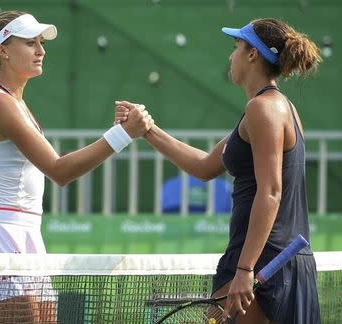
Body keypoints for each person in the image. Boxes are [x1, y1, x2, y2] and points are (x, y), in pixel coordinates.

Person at [116, 18, 321, 323]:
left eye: (236, 46)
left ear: (252, 54)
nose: (231, 55)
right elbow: (205, 166)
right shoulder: (273, 108)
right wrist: (147, 130)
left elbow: (271, 191)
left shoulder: (263, 109)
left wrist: (244, 269)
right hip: (282, 260)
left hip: (264, 264)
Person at [0, 10, 153, 323]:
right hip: (1, 238)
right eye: (30, 42)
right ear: (3, 50)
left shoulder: (15, 104)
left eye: (41, 43)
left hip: (22, 234)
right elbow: (59, 170)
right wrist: (121, 135)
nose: (41, 50)